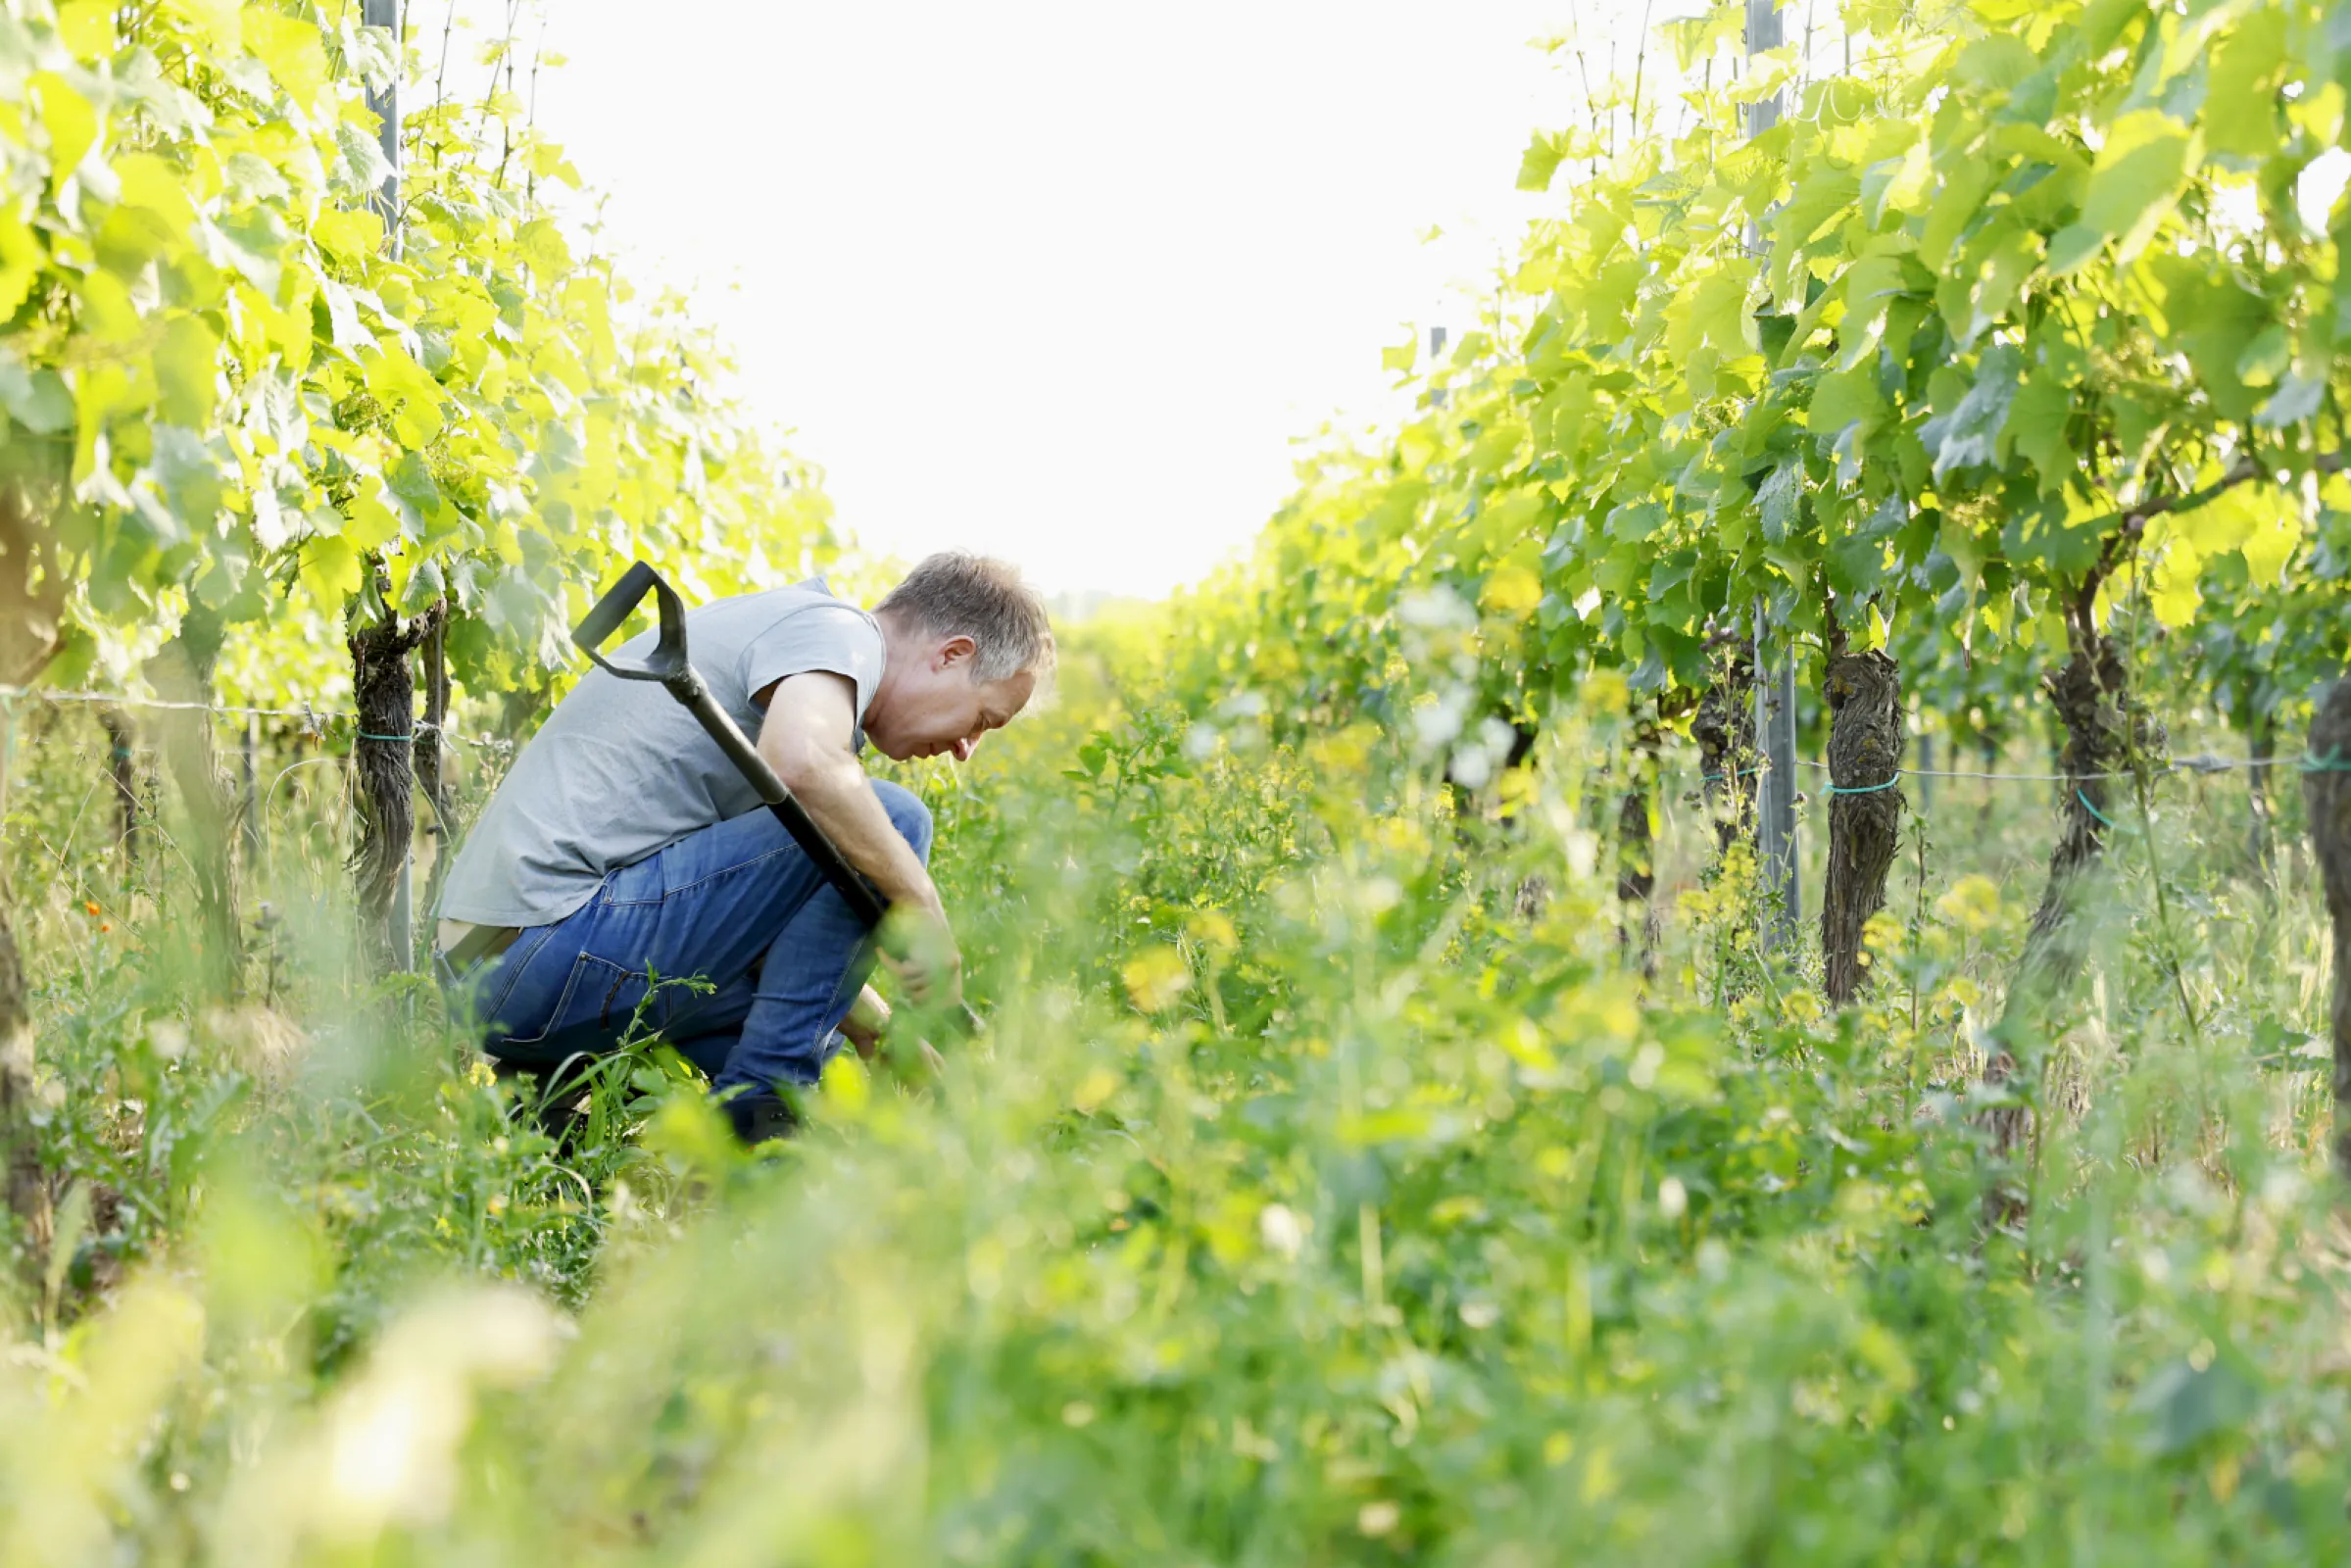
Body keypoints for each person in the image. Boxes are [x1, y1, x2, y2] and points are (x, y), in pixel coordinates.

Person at [432, 552, 1053, 1141]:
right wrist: (921, 904)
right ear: (952, 654)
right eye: (983, 719)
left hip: (503, 972)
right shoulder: (838, 634)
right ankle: (757, 1121)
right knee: (895, 818)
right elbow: (803, 759)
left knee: (833, 1081)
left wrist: (879, 1032)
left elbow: (749, 927)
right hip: (544, 947)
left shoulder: (803, 662)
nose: (966, 749)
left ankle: (564, 1114)